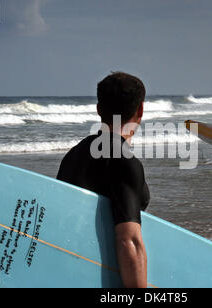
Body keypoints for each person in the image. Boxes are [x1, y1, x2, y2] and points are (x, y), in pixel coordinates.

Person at [56, 72, 149, 288]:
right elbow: (128, 240)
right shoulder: (124, 161)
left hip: (71, 274)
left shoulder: (73, 155)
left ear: (99, 109)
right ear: (140, 110)